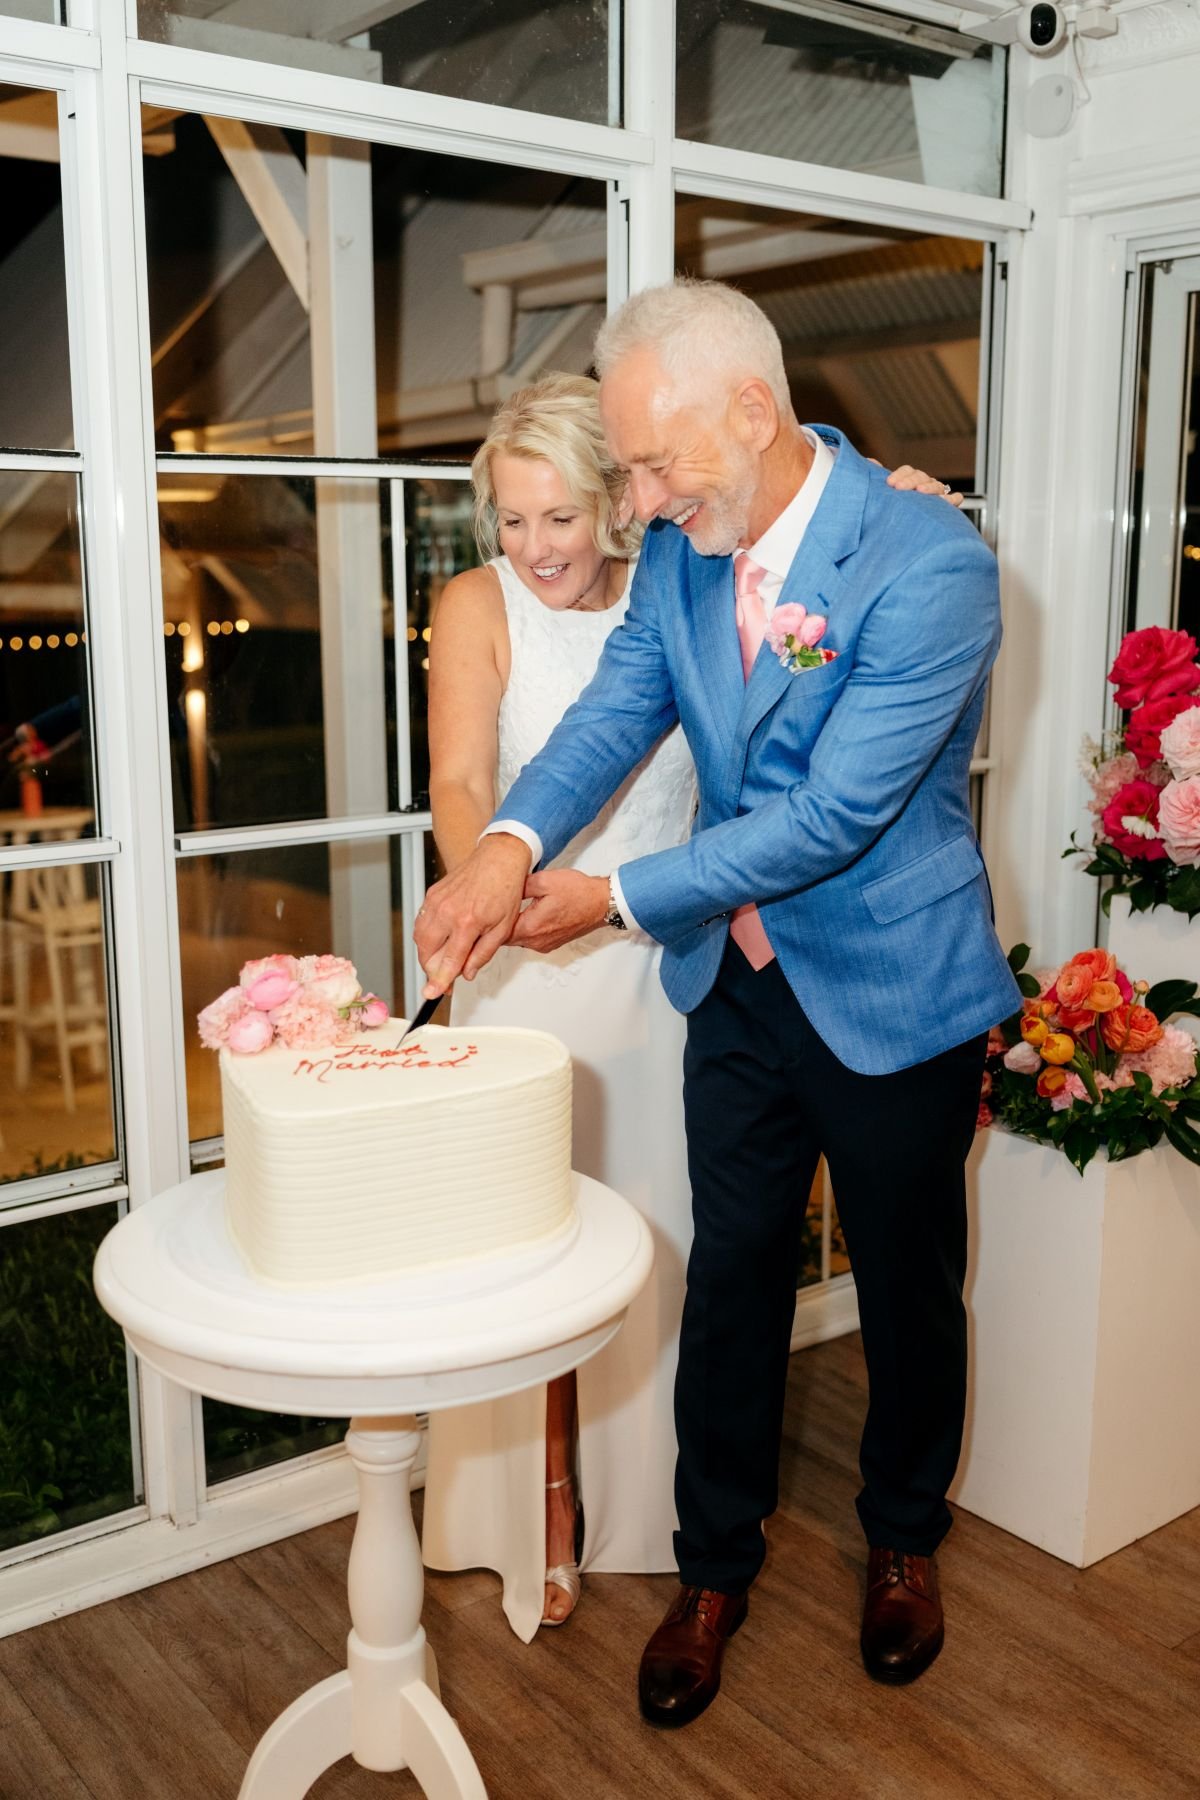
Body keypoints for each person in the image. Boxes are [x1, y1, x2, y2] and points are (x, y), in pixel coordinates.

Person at [415, 279, 1021, 1724]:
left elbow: (837, 814)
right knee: (733, 1280)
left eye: (651, 464)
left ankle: (902, 1543)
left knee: (907, 1287)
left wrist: (615, 899)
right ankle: (713, 1569)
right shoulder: (690, 554)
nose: (636, 500)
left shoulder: (929, 562)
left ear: (754, 411)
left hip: (893, 990)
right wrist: (502, 853)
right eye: (622, 468)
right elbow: (616, 717)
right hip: (737, 991)